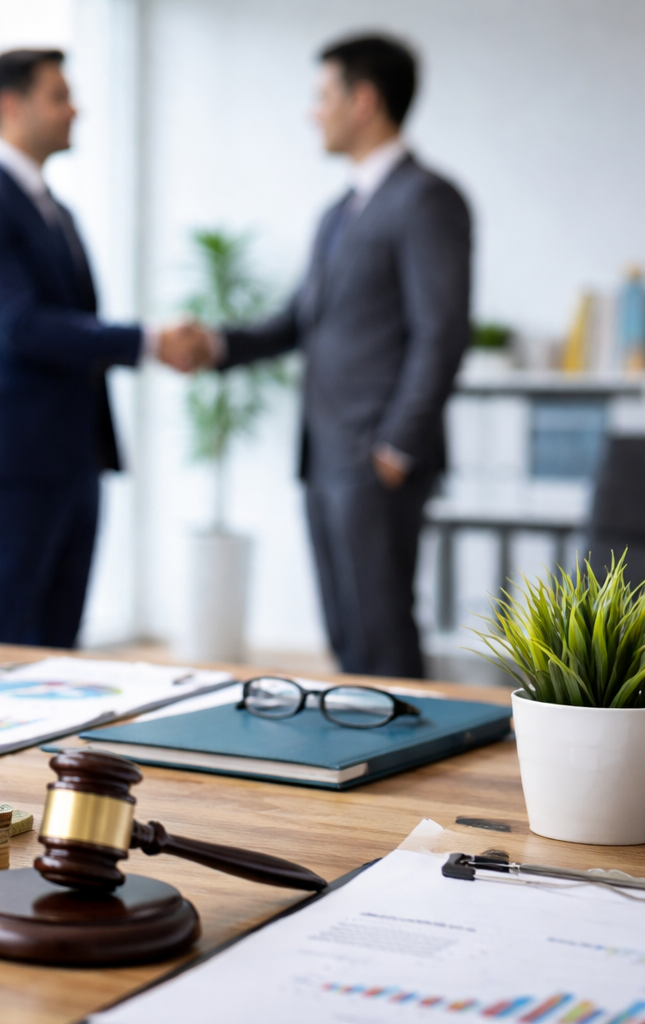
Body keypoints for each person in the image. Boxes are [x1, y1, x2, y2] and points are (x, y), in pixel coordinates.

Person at [165, 34, 472, 678]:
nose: (313, 113)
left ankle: (413, 743)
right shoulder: (337, 213)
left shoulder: (427, 199)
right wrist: (215, 345)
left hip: (376, 456)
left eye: (322, 96)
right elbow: (297, 322)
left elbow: (441, 333)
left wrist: (396, 447)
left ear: (364, 101)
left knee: (383, 634)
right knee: (347, 634)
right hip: (326, 453)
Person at [0, 50, 182, 648]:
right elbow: (20, 326)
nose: (75, 110)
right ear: (11, 106)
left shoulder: (57, 212)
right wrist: (149, 341)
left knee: (58, 648)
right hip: (12, 462)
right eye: (59, 96)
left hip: (74, 456)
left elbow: (72, 324)